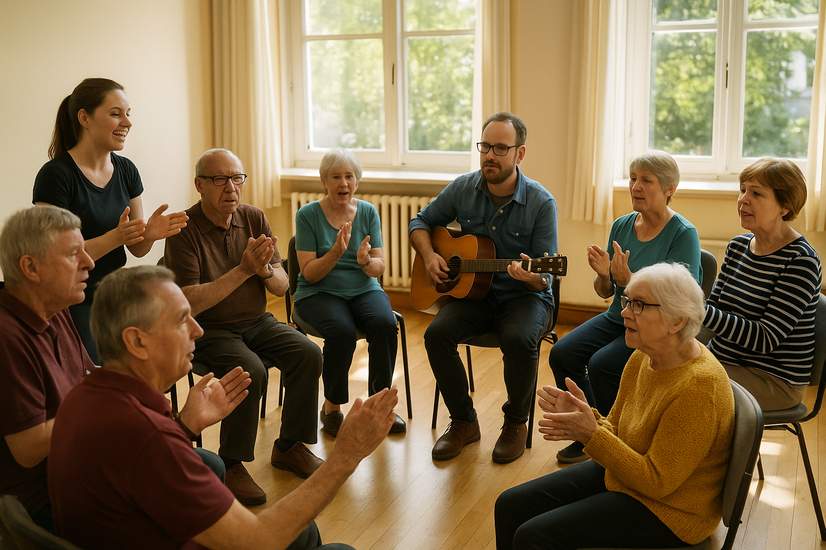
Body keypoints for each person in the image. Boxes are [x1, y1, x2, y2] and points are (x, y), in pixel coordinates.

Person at [49, 265, 396, 550]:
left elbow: (137, 478)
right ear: (137, 341)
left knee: (303, 534)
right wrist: (346, 455)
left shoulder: (85, 395)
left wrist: (185, 426)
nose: (198, 330)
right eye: (182, 319)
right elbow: (259, 541)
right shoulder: (146, 435)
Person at [0, 206, 223, 533]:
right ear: (31, 267)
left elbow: (91, 378)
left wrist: (152, 386)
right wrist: (134, 409)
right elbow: (30, 448)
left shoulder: (55, 309)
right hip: (58, 497)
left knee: (208, 466)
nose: (89, 262)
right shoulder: (6, 336)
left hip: (87, 460)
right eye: (75, 254)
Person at [495, 263, 735, 550]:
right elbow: (618, 429)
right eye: (627, 301)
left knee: (533, 537)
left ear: (677, 321)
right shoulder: (644, 356)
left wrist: (590, 434)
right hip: (629, 477)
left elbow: (657, 482)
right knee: (509, 504)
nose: (624, 312)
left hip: (671, 511)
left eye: (639, 305)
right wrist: (588, 417)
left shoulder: (699, 388)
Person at [163, 148, 323, 506]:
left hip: (257, 321)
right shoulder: (183, 231)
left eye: (237, 178)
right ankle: (231, 463)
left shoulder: (253, 217)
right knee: (250, 370)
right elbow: (188, 302)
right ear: (199, 185)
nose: (231, 188)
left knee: (308, 352)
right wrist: (244, 269)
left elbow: (282, 286)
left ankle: (290, 446)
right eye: (220, 179)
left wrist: (265, 269)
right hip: (208, 331)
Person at [409, 112, 558, 464]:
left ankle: (515, 422)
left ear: (520, 154)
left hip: (525, 296)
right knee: (437, 334)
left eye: (500, 148)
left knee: (519, 338)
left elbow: (547, 275)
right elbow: (421, 222)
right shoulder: (464, 187)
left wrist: (533, 276)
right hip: (476, 295)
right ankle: (463, 421)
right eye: (485, 146)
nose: (490, 155)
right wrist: (430, 257)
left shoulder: (540, 202)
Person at [548, 150, 701, 464]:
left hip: (657, 326)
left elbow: (679, 302)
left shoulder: (683, 234)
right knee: (563, 353)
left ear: (669, 189)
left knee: (603, 363)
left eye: (647, 181)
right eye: (633, 179)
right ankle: (590, 432)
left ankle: (613, 439)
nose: (636, 187)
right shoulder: (621, 225)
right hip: (618, 316)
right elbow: (606, 292)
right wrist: (605, 276)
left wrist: (628, 279)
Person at [33, 78, 188, 363]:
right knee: (101, 370)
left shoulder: (127, 170)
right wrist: (117, 236)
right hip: (71, 297)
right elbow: (54, 257)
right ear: (84, 118)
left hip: (114, 292)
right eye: (116, 113)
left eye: (129, 114)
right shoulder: (55, 176)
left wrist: (149, 235)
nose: (127, 123)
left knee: (151, 355)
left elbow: (137, 249)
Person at [294, 149, 405, 437]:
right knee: (341, 332)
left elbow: (379, 265)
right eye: (336, 177)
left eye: (349, 176)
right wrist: (335, 253)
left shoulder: (367, 211)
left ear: (356, 181)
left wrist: (366, 262)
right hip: (318, 292)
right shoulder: (307, 216)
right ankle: (332, 406)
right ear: (324, 181)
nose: (343, 183)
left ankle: (379, 406)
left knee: (384, 324)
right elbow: (309, 273)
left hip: (363, 288)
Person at [704, 158, 822, 411]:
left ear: (785, 206)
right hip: (724, 361)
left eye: (756, 193)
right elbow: (714, 308)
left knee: (685, 382)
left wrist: (696, 309)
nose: (743, 199)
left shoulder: (801, 261)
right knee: (649, 360)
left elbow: (765, 338)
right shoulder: (738, 246)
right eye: (743, 189)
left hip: (773, 379)